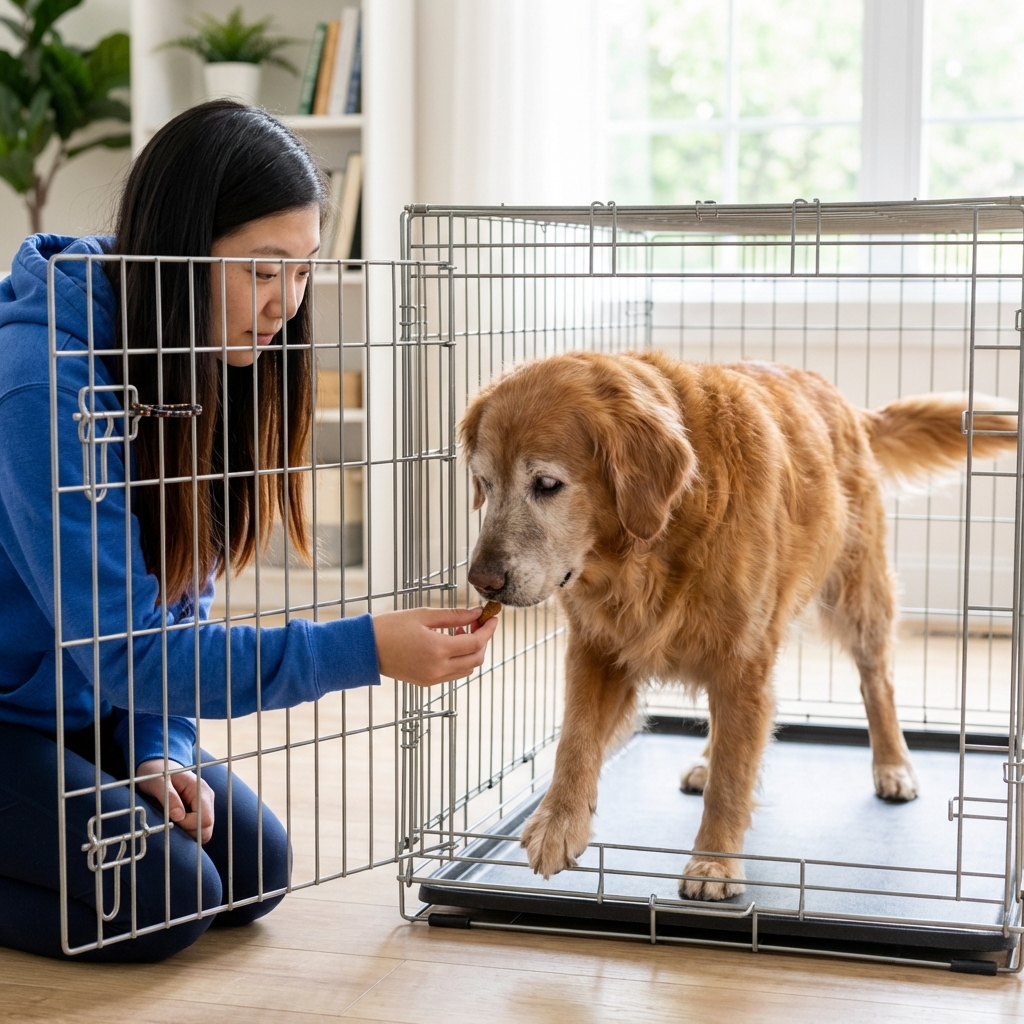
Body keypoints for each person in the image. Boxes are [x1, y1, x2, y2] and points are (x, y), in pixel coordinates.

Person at [0, 101, 497, 963]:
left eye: (302, 272)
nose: (284, 306)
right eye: (262, 272)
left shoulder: (201, 351)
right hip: (14, 716)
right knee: (164, 904)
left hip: (86, 710)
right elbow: (130, 650)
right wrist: (365, 648)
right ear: (179, 252)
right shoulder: (42, 386)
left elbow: (175, 612)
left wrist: (157, 747)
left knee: (254, 871)